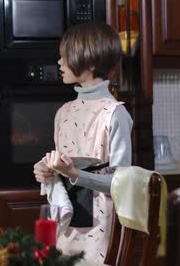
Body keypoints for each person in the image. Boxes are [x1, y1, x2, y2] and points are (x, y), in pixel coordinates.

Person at [33, 22, 133, 262]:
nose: (59, 62)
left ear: (90, 63)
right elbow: (60, 169)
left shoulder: (114, 113)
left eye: (66, 56)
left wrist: (75, 173)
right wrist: (46, 172)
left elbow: (122, 185)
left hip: (101, 222)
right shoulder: (64, 112)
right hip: (66, 220)